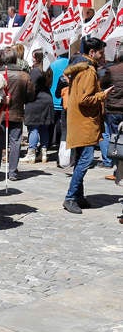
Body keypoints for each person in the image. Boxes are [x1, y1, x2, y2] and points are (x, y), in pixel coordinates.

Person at [62, 37, 111, 214]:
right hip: (85, 122)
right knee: (86, 160)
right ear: (92, 53)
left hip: (79, 120)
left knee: (81, 159)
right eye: (101, 52)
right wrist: (102, 95)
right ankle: (70, 197)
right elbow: (85, 100)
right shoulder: (89, 71)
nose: (102, 55)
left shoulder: (79, 68)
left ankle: (78, 196)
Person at [0, 48, 34, 181]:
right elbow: (30, 95)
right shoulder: (24, 75)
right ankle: (12, 172)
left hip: (0, 113)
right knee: (15, 142)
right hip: (15, 111)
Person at [21, 49, 54, 163]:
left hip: (36, 101)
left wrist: (25, 97)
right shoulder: (48, 69)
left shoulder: (35, 71)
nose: (32, 59)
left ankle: (31, 153)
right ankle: (43, 153)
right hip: (47, 100)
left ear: (38, 58)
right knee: (44, 128)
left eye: (33, 57)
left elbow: (31, 88)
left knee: (33, 127)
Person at [101, 46, 123, 179]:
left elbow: (103, 84)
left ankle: (118, 170)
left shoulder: (111, 70)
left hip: (114, 109)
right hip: (116, 109)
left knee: (115, 139)